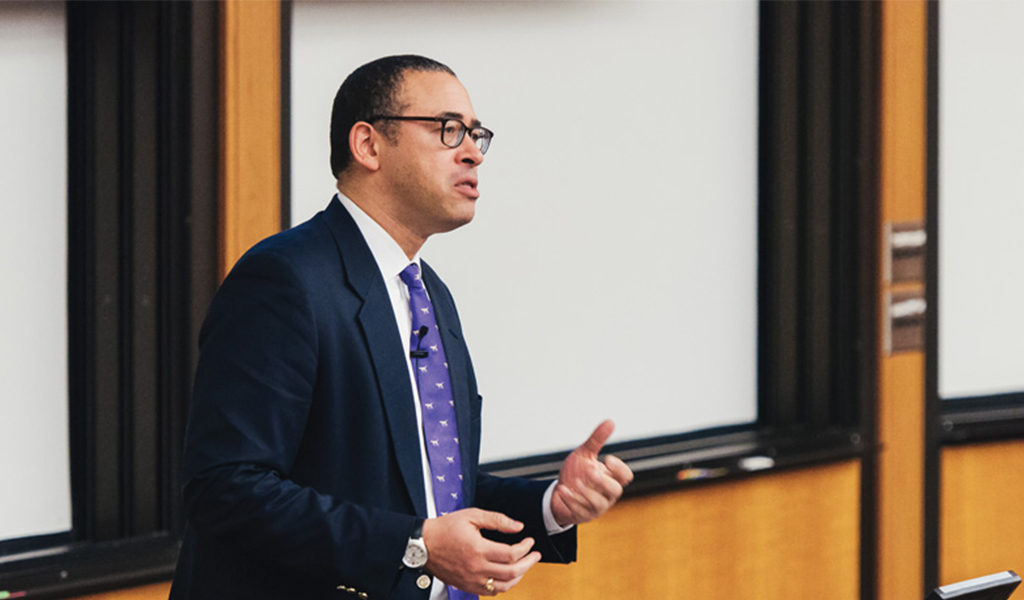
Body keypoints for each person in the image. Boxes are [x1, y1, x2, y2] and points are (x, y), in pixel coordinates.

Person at [169, 55, 633, 600]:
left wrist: (551, 506)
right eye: (448, 130)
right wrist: (413, 545)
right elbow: (226, 488)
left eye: (476, 135)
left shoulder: (427, 291)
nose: (472, 153)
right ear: (368, 145)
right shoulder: (285, 280)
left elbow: (426, 486)